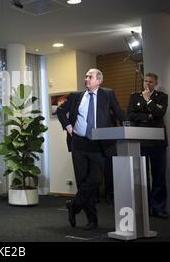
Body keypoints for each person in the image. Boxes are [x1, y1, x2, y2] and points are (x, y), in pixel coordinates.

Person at [56, 69, 126, 230]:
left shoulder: (108, 94)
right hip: (79, 144)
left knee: (95, 180)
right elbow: (60, 111)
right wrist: (68, 126)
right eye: (86, 76)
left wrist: (130, 126)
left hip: (98, 145)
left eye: (90, 76)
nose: (86, 78)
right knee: (82, 182)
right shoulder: (76, 96)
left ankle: (73, 206)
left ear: (99, 80)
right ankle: (92, 220)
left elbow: (119, 113)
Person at [127, 72, 168, 219]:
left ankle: (159, 208)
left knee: (159, 175)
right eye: (145, 81)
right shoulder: (134, 96)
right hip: (141, 141)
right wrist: (148, 117)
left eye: (151, 82)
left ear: (156, 83)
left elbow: (160, 113)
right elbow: (130, 115)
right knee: (142, 176)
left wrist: (149, 101)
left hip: (157, 142)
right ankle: (145, 207)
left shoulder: (162, 97)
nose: (147, 84)